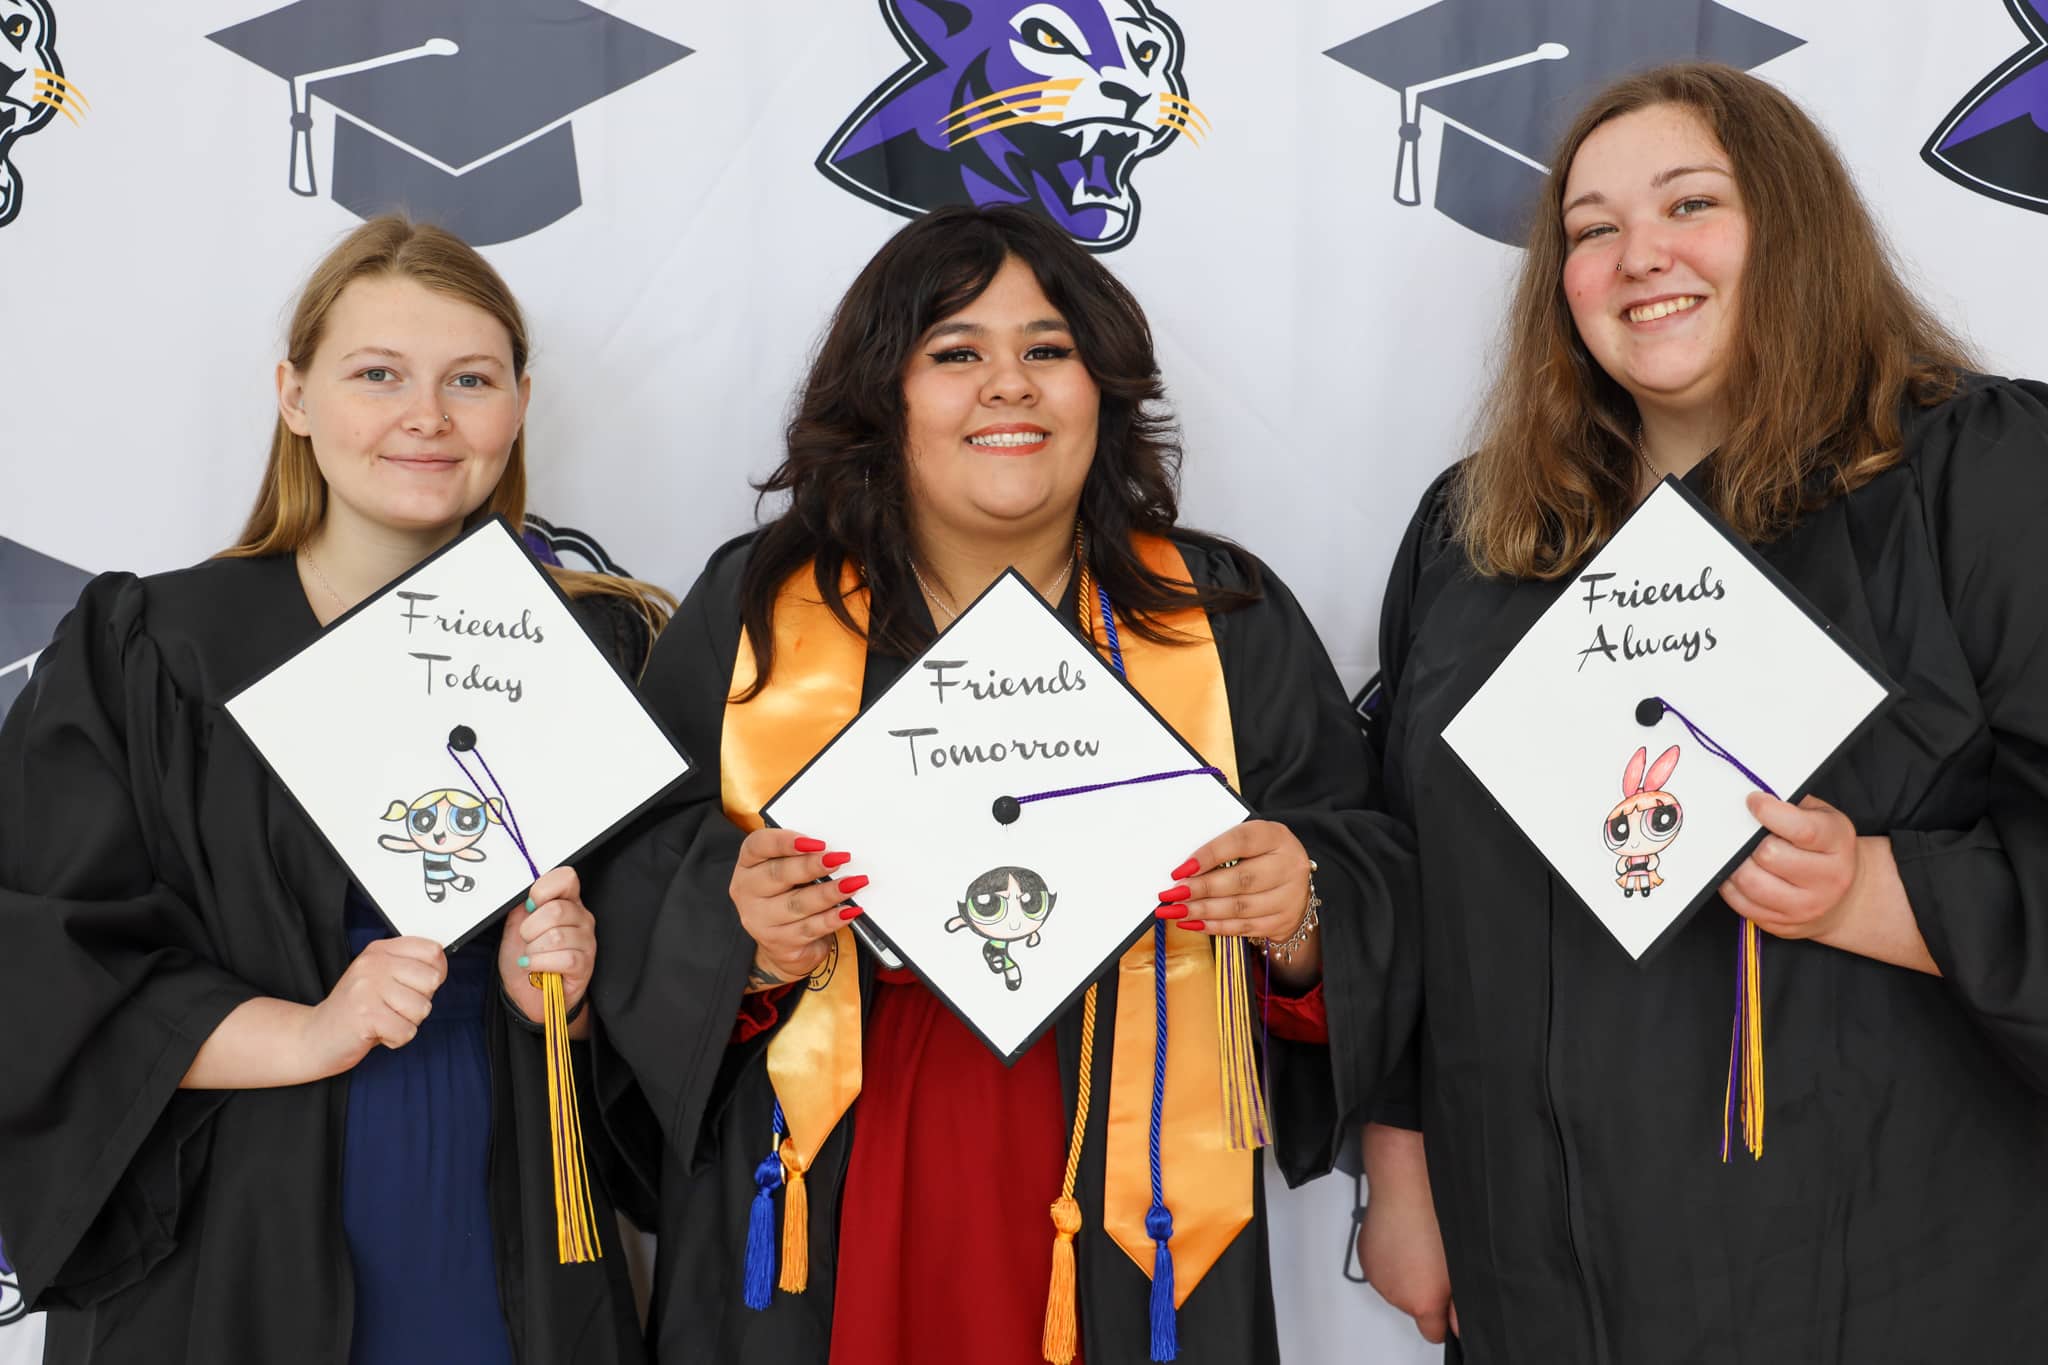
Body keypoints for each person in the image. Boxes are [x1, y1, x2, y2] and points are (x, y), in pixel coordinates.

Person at [586, 204, 1416, 1364]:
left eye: (1046, 348)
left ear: (1100, 388)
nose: (1008, 384)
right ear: (885, 394)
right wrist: (736, 929)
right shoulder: (761, 610)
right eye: (955, 352)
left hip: (1125, 1168)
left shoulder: (1218, 615)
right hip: (835, 1165)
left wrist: (1298, 910)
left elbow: (1365, 864)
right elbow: (628, 869)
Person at [1358, 60, 2048, 1363]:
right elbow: (1409, 873)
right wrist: (1400, 1172)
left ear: (1792, 229)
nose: (1639, 256)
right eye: (1592, 229)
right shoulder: (1478, 533)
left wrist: (1875, 891)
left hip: (1880, 1261)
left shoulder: (1976, 472)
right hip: (1540, 1264)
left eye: (1690, 204)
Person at [0, 216, 667, 1364]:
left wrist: (566, 996)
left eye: (470, 379)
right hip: (230, 1213)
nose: (427, 416)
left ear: (518, 405)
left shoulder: (599, 649)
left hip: (504, 1190)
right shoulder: (156, 648)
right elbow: (45, 961)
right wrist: (310, 1031)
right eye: (377, 375)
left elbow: (686, 975)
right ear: (294, 396)